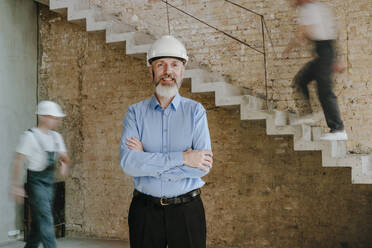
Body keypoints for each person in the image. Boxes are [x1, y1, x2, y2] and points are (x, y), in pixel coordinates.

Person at [120, 35, 213, 248]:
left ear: (182, 71)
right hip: (144, 211)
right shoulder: (135, 113)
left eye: (174, 64)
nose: (167, 71)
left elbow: (202, 167)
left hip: (187, 210)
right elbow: (129, 163)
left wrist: (147, 161)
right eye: (160, 64)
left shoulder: (195, 112)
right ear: (151, 71)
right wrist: (183, 158)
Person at [283, 0, 348, 140]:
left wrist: (289, 49)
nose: (291, 3)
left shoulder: (310, 8)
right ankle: (308, 115)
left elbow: (305, 32)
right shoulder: (313, 8)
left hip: (325, 52)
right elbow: (330, 32)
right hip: (323, 54)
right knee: (301, 80)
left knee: (325, 91)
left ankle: (338, 129)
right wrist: (336, 58)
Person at [11, 100, 70, 248]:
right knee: (46, 219)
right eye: (54, 117)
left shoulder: (57, 137)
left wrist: (64, 164)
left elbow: (64, 157)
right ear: (43, 117)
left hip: (49, 184)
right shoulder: (30, 136)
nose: (57, 121)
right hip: (35, 184)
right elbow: (18, 162)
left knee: (38, 225)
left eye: (58, 118)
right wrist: (16, 187)